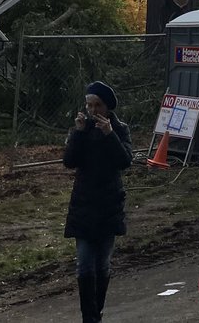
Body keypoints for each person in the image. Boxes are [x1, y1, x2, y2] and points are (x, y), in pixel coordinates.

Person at [63, 81, 134, 323]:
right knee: (84, 265)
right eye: (89, 105)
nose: (93, 111)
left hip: (108, 204)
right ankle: (89, 318)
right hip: (83, 204)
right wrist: (79, 133)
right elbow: (70, 161)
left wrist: (109, 135)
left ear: (107, 107)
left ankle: (97, 311)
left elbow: (125, 161)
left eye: (98, 106)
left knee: (102, 265)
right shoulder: (82, 130)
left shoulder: (119, 129)